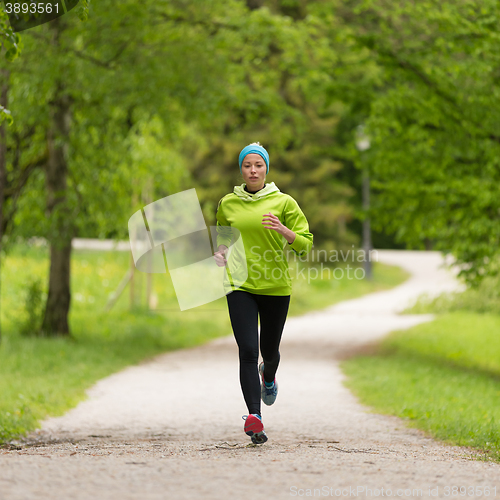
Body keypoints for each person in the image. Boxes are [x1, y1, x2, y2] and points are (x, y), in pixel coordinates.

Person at [214, 142, 313, 444]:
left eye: (258, 165)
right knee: (247, 349)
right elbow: (224, 238)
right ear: (241, 169)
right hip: (239, 284)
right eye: (247, 165)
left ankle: (268, 375)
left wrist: (285, 231)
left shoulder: (284, 202)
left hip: (275, 287)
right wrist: (220, 252)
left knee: (268, 352)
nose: (253, 170)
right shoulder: (227, 203)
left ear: (266, 169)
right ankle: (254, 417)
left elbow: (306, 244)